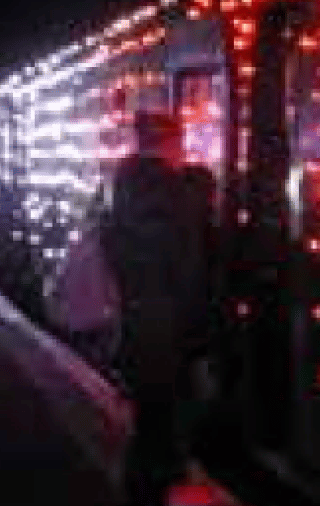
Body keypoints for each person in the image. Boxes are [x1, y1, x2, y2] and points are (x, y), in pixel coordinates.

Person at [100, 111, 214, 506]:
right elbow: (185, 274)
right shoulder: (176, 193)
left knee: (149, 422)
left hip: (135, 323)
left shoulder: (121, 186)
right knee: (165, 425)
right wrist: (200, 341)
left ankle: (141, 488)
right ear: (170, 143)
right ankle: (150, 492)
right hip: (164, 330)